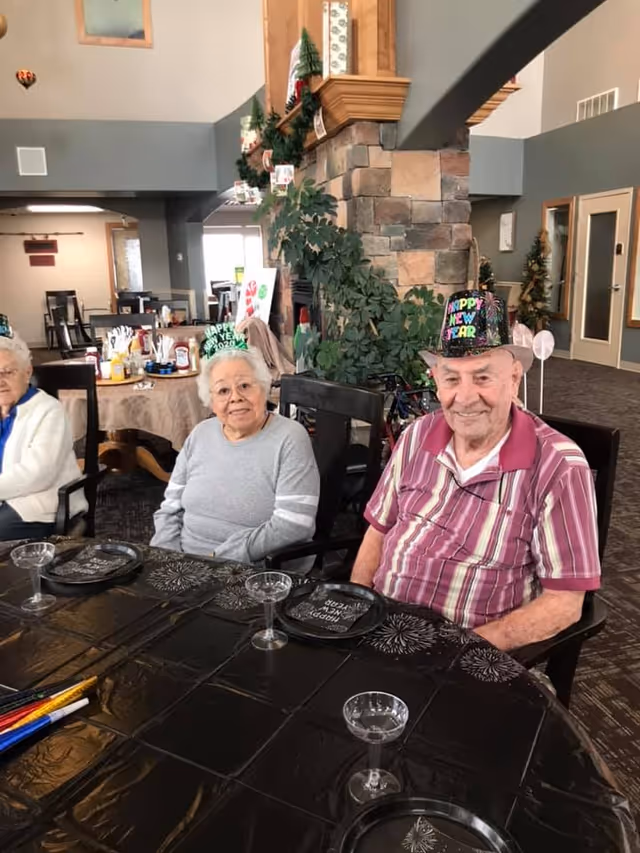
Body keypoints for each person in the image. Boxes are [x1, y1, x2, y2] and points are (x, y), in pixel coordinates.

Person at [351, 289, 600, 651]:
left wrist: (458, 653)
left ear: (514, 378)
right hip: (381, 633)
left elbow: (564, 604)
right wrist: (358, 611)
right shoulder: (417, 434)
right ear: (436, 379)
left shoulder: (558, 466)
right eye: (452, 379)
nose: (465, 397)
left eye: (482, 378)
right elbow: (378, 531)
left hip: (466, 654)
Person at [151, 325, 320, 563]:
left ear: (264, 387)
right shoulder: (200, 434)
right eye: (222, 390)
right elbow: (170, 508)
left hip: (255, 571)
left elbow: (294, 525)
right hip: (184, 562)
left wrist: (215, 560)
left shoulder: (290, 438)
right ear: (210, 400)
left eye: (245, 385)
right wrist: (164, 557)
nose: (235, 397)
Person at [0, 332, 87, 540]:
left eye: (7, 372)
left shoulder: (49, 410)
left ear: (27, 372)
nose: (0, 381)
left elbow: (37, 475)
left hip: (38, 505)